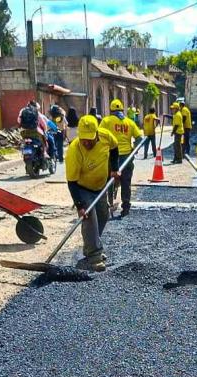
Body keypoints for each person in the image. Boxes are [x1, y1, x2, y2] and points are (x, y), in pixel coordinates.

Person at [65, 115, 120, 272]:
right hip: (82, 188)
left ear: (96, 133)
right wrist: (80, 206)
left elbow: (114, 148)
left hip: (101, 186)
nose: (86, 142)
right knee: (89, 218)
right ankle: (94, 255)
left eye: (89, 139)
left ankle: (92, 246)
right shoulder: (74, 151)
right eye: (83, 139)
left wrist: (115, 169)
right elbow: (72, 182)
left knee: (103, 215)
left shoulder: (105, 136)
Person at [100, 98, 143, 217]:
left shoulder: (106, 121)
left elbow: (99, 136)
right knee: (126, 182)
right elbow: (139, 139)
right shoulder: (130, 122)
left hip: (111, 157)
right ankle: (126, 207)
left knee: (108, 181)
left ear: (111, 110)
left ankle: (108, 205)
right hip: (127, 157)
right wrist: (134, 150)